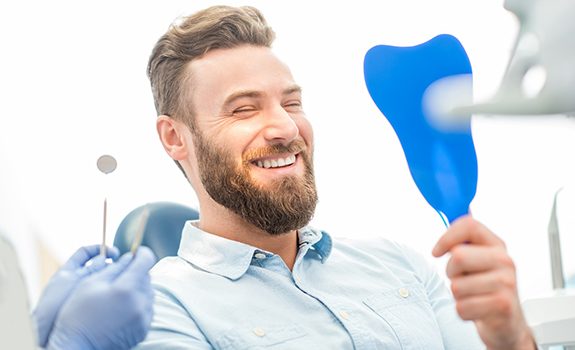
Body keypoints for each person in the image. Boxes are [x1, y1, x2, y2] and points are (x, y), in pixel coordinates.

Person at [136, 5, 536, 349]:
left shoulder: (401, 265)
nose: (287, 128)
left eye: (292, 102)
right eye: (243, 109)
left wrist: (512, 337)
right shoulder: (159, 307)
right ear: (175, 137)